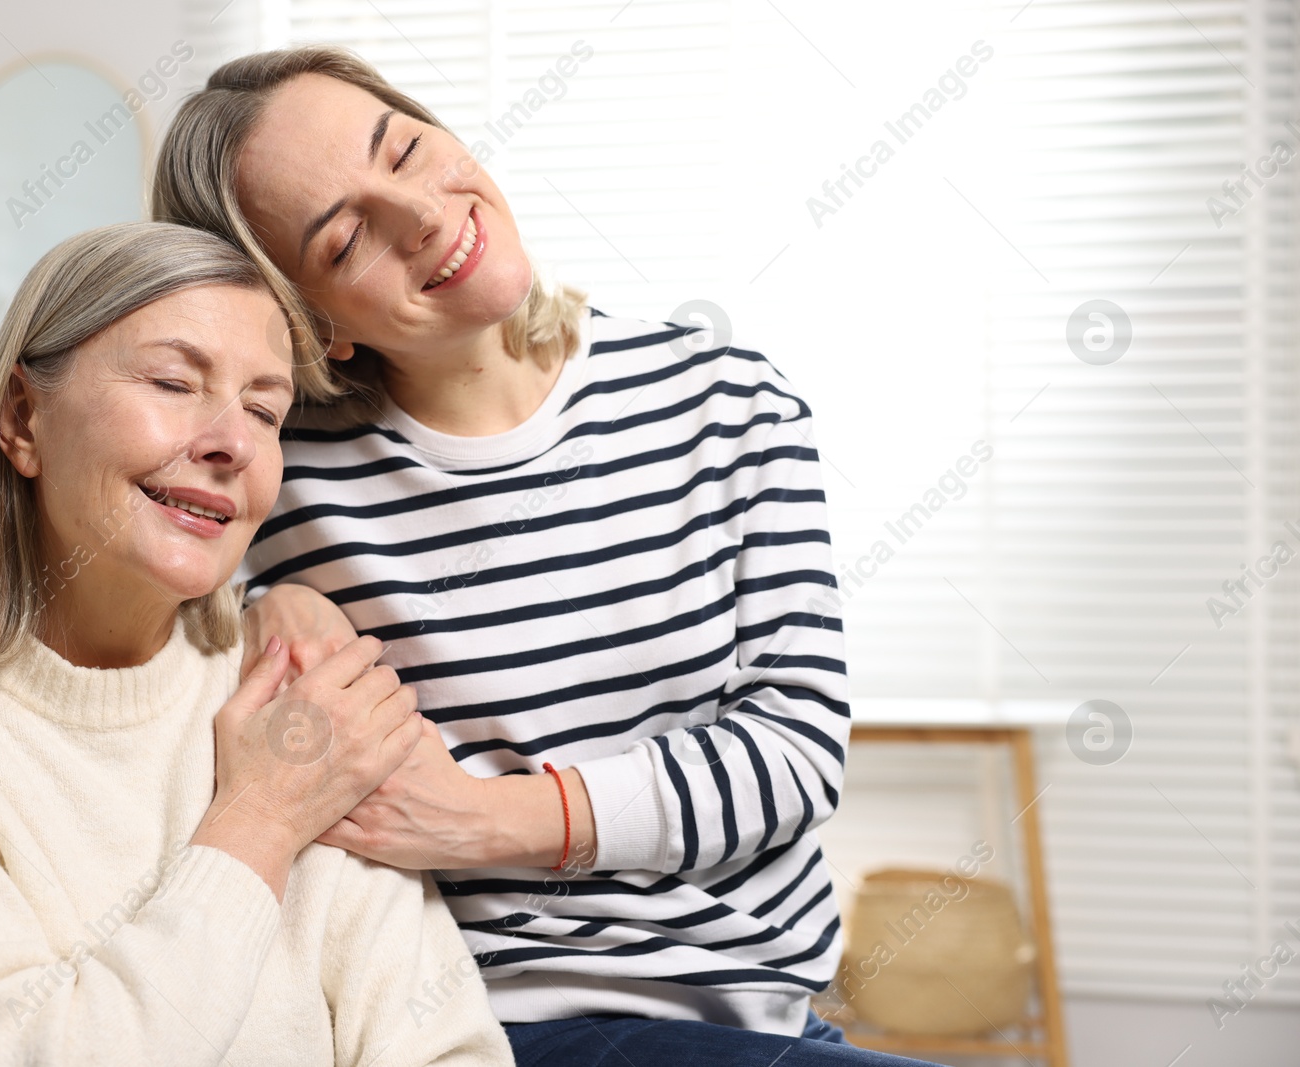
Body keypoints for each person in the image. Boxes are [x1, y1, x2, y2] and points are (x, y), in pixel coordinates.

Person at [150, 48, 939, 1067]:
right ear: (315, 327)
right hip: (489, 1025)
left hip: (766, 1019)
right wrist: (266, 602)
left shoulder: (728, 401)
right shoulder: (283, 478)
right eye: (348, 241)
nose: (424, 214)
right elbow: (140, 632)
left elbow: (792, 754)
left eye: (406, 149)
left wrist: (481, 820)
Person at [0, 221, 514, 1067]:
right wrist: (260, 815)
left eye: (265, 409)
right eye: (175, 382)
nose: (233, 442)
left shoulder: (295, 694)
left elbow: (448, 1051)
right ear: (23, 418)